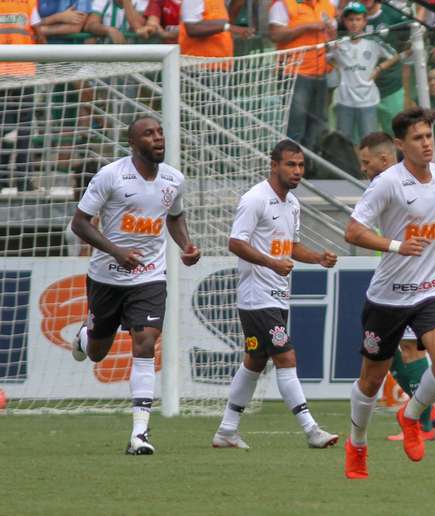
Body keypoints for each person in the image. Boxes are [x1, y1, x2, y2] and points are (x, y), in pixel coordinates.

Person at [343, 108, 435, 479]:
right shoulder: (387, 183)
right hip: (388, 296)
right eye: (418, 138)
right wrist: (397, 245)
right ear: (400, 145)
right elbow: (353, 231)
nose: (427, 144)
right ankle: (357, 445)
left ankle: (411, 416)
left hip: (429, 290)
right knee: (371, 380)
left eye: (429, 136)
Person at [69, 116, 201, 455]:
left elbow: (174, 216)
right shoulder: (111, 175)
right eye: (149, 133)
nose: (158, 138)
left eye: (160, 132)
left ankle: (139, 433)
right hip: (107, 276)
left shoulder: (174, 179)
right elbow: (79, 223)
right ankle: (85, 337)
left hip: (149, 276)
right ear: (133, 143)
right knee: (98, 352)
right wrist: (116, 251)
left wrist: (186, 245)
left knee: (146, 343)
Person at [211, 139, 339, 450]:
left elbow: (290, 246)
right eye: (290, 165)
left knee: (255, 361)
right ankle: (311, 430)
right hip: (256, 297)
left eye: (301, 165)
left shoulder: (292, 204)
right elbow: (236, 242)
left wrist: (317, 258)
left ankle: (226, 430)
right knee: (285, 356)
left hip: (278, 295)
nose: (297, 171)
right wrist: (271, 263)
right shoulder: (255, 199)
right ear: (274, 166)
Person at [357, 131, 435, 441]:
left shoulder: (408, 181)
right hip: (392, 279)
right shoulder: (386, 186)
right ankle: (428, 412)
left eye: (366, 162)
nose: (363, 169)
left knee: (409, 349)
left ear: (384, 158)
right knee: (393, 352)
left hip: (414, 284)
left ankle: (424, 423)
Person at [327, 2, 401, 145]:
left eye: (358, 19)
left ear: (364, 21)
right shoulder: (339, 44)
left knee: (369, 142)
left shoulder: (373, 41)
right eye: (350, 19)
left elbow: (395, 56)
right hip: (345, 100)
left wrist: (379, 68)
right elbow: (327, 57)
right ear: (344, 21)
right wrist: (338, 67)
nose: (354, 23)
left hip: (368, 101)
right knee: (344, 142)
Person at [268, 0, 337, 150]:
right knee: (295, 129)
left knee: (317, 128)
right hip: (294, 74)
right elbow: (275, 35)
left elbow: (332, 37)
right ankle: (292, 162)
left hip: (320, 74)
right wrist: (307, 27)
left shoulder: (327, 4)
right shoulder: (284, 4)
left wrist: (332, 36)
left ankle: (311, 163)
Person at [0, 0, 41, 192]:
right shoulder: (28, 2)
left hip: (2, 75)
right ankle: (23, 180)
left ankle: (2, 178)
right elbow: (38, 31)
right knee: (24, 128)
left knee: (4, 127)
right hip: (23, 72)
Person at [362, 0, 411, 134]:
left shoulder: (393, 14)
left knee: (396, 136)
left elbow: (410, 46)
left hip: (391, 89)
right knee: (365, 140)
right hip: (362, 92)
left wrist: (406, 91)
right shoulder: (352, 16)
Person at [180, 0, 253, 58]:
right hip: (197, 64)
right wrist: (228, 27)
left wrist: (229, 28)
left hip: (219, 63)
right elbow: (192, 28)